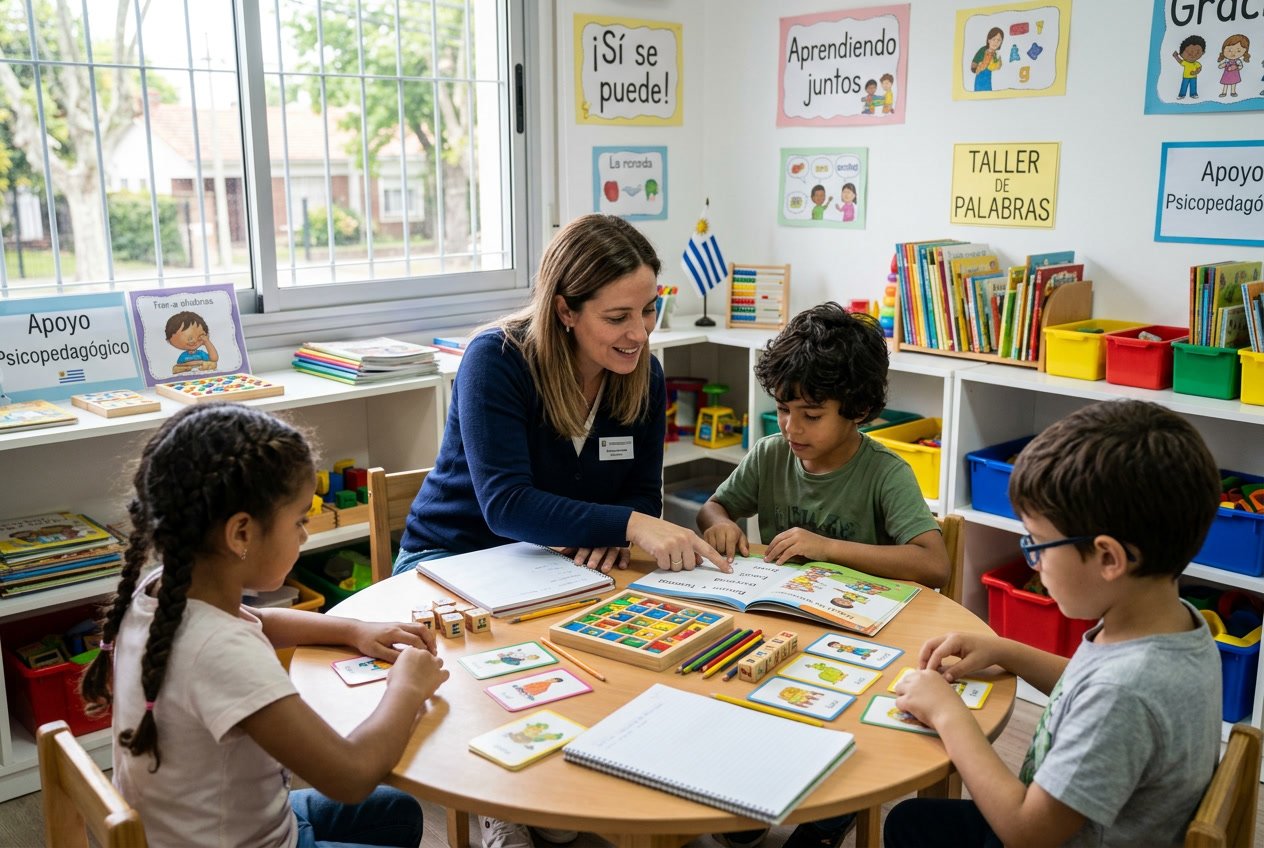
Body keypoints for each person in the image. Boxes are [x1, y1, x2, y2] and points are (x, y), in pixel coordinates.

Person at [393, 213, 727, 848]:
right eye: (618, 317)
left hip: (563, 561)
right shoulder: (496, 358)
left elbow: (638, 490)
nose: (640, 333)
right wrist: (628, 526)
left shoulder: (643, 376)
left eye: (649, 310)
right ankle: (502, 796)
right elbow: (505, 505)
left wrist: (618, 525)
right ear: (566, 310)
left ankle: (574, 771)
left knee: (616, 646)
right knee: (512, 657)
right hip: (453, 558)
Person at [80, 403, 449, 848]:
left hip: (212, 824)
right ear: (241, 534)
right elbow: (350, 777)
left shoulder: (165, 591)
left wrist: (354, 630)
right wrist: (407, 689)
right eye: (298, 521)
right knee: (383, 804)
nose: (304, 536)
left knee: (397, 812)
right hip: (243, 841)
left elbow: (264, 621)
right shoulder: (221, 653)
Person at [885, 400, 1222, 848]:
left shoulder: (1122, 695)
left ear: (1108, 558)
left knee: (911, 826)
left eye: (1039, 544)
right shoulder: (1166, 625)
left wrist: (948, 713)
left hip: (1039, 832)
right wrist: (1006, 650)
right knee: (913, 820)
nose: (1034, 562)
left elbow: (1027, 833)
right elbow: (1084, 683)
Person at [699, 304, 947, 848]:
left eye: (811, 414)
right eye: (784, 409)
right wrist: (718, 525)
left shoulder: (885, 472)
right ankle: (754, 792)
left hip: (863, 642)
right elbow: (714, 508)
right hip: (782, 629)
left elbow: (933, 562)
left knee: (841, 744)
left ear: (857, 409)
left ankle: (832, 814)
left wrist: (827, 548)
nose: (791, 427)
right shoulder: (769, 455)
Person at [1170, 34, 1206, 99]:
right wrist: (1176, 56)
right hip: (1186, 76)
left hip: (1193, 77)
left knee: (1193, 85)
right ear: (1181, 53)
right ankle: (1181, 95)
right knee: (1184, 85)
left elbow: (1199, 68)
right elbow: (1180, 61)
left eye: (1197, 52)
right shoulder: (1186, 62)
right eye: (1189, 53)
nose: (1193, 55)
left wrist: (1196, 72)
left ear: (1203, 53)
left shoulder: (1196, 63)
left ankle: (1193, 94)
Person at [971, 27, 1004, 92]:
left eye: (999, 40)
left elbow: (997, 66)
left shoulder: (996, 54)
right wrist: (976, 68)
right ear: (989, 40)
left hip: (988, 78)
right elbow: (974, 62)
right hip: (980, 77)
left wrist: (998, 62)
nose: (996, 42)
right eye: (994, 39)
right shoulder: (983, 50)